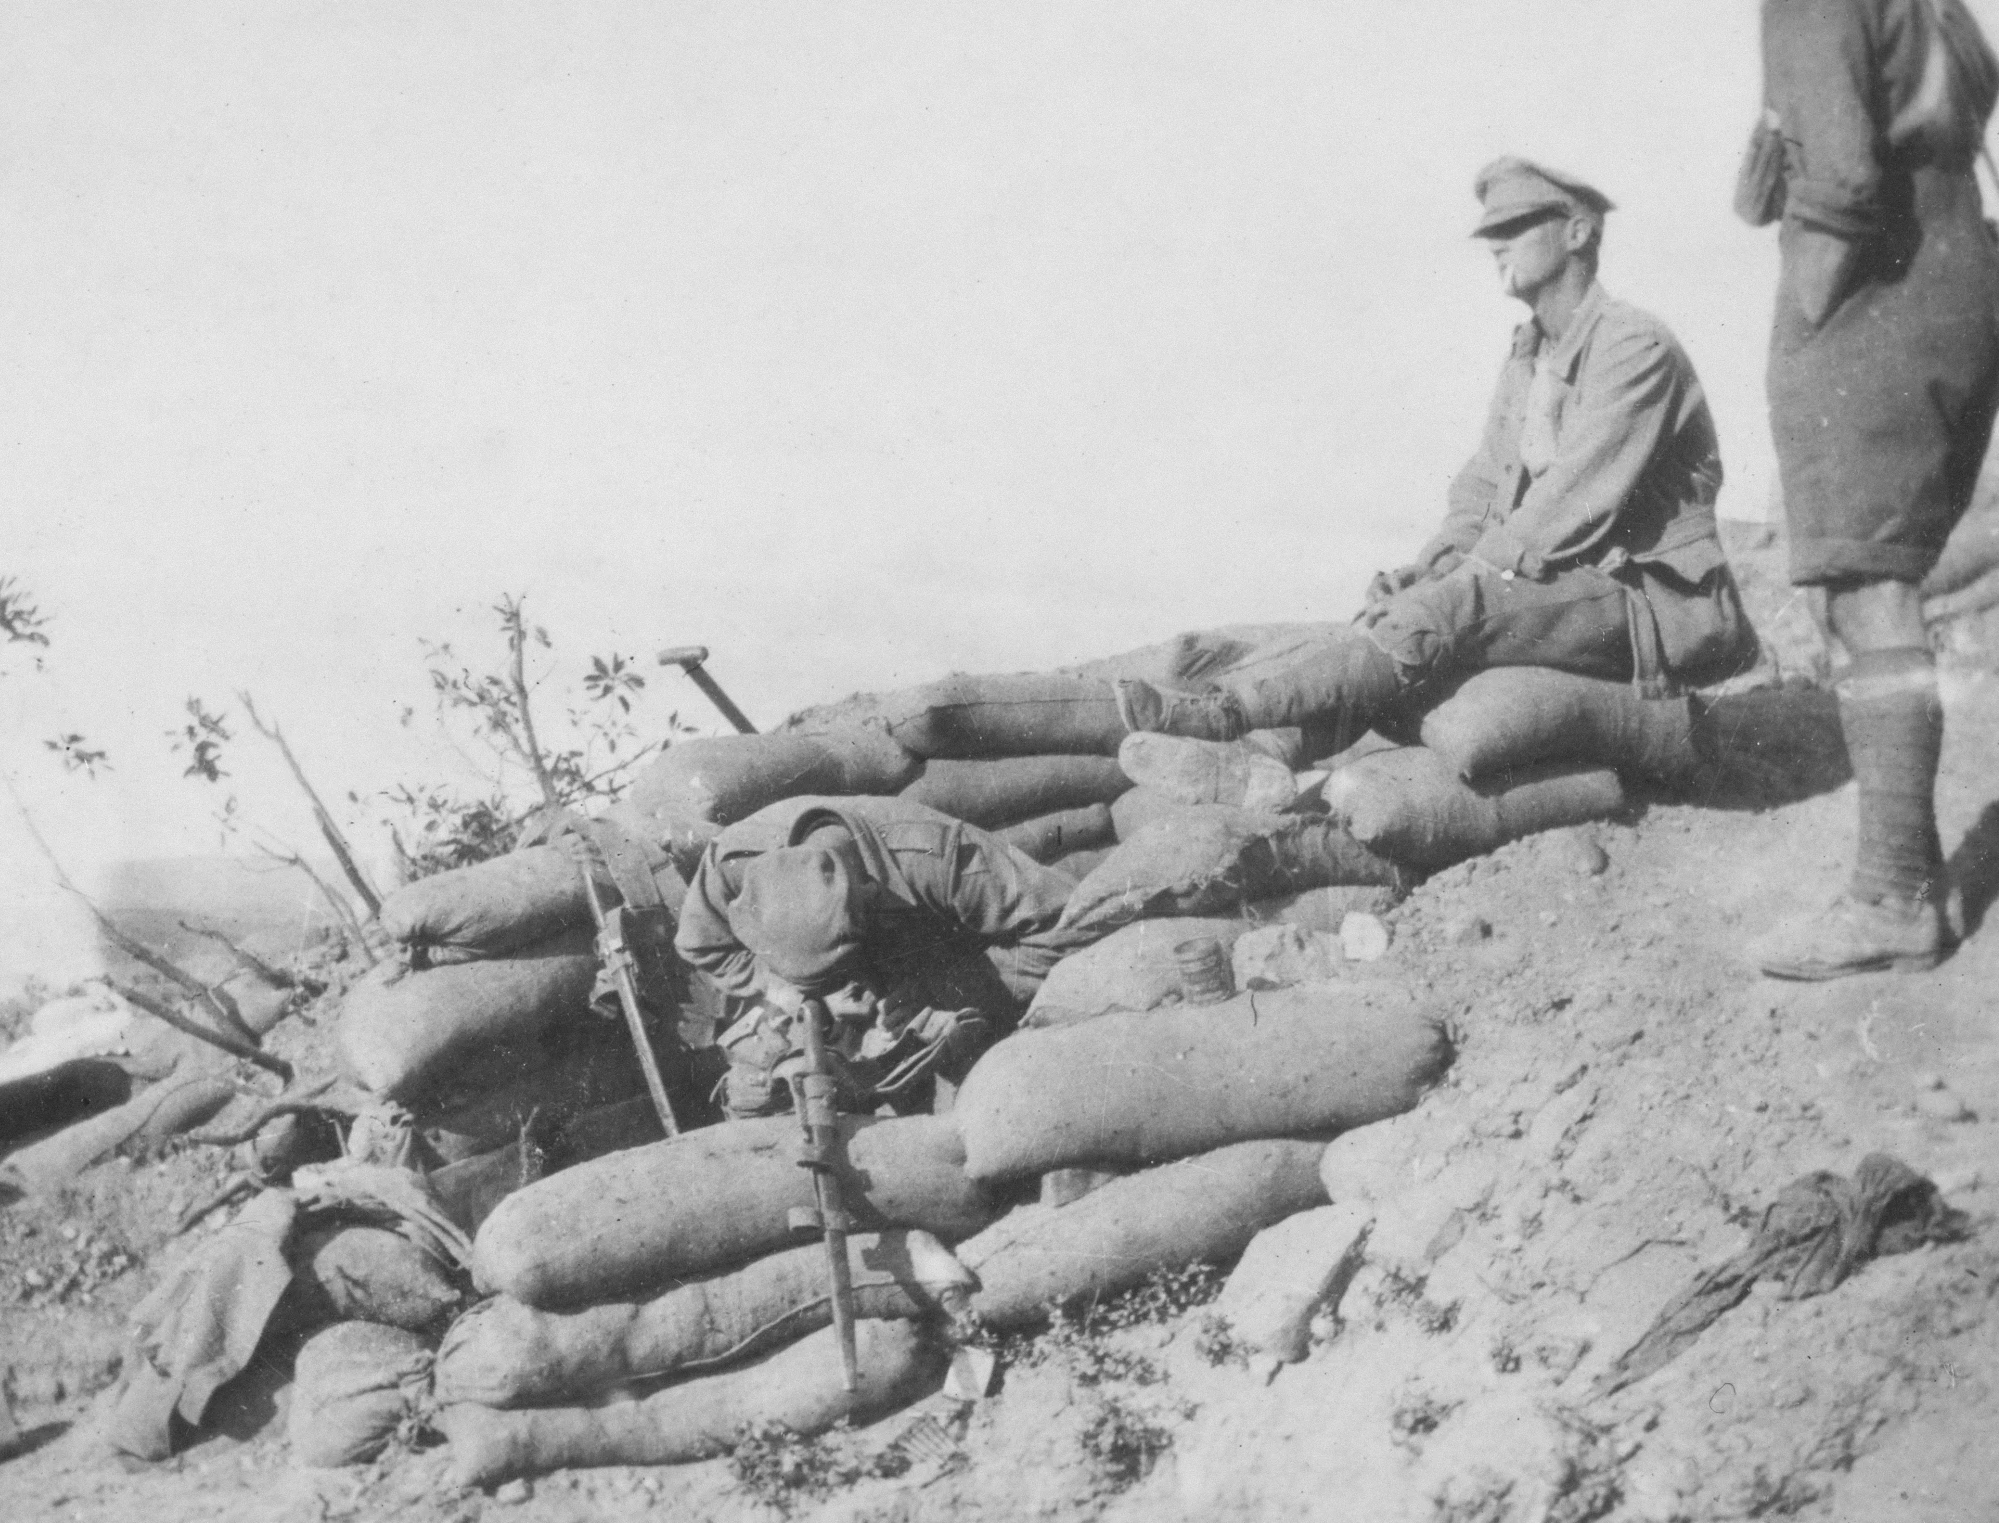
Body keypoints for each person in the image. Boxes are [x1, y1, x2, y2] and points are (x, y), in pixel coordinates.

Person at [1114, 158, 1755, 754]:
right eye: (1491, 232)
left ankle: (1227, 716)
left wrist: (1453, 584)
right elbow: (1483, 489)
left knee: (1446, 614)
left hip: (1647, 599)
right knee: (1404, 612)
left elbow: (1573, 502)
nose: (1496, 243)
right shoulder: (1530, 351)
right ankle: (1262, 754)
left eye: (1516, 226)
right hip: (1560, 585)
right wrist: (1429, 567)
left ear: (1578, 235)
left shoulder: (1633, 344)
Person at [1741, 0, 1999, 978]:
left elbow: (1845, 177)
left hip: (1877, 304)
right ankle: (1912, 873)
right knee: (1876, 581)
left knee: (1868, 587)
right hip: (1958, 280)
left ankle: (1889, 897)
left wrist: (1808, 314)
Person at [671, 795, 1100, 1117]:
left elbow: (1067, 928)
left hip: (952, 949)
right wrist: (782, 987)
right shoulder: (734, 864)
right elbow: (701, 944)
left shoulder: (943, 859)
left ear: (872, 895)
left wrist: (944, 988)